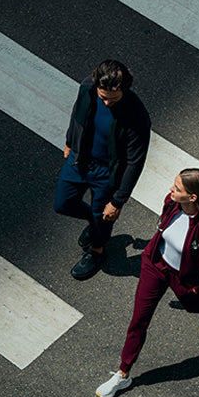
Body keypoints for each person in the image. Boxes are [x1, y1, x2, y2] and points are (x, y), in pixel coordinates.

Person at [96, 168, 199, 397]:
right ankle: (123, 373)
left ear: (193, 197)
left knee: (193, 304)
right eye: (174, 184)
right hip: (154, 265)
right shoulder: (169, 204)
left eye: (177, 188)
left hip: (183, 278)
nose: (171, 189)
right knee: (139, 320)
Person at [54, 60, 151, 280]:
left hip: (107, 172)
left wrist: (118, 201)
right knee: (62, 204)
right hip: (79, 160)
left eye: (113, 99)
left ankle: (96, 252)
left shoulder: (136, 115)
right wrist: (70, 141)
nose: (106, 103)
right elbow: (77, 113)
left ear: (124, 90)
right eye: (103, 97)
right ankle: (94, 221)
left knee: (105, 216)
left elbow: (135, 161)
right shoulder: (88, 87)